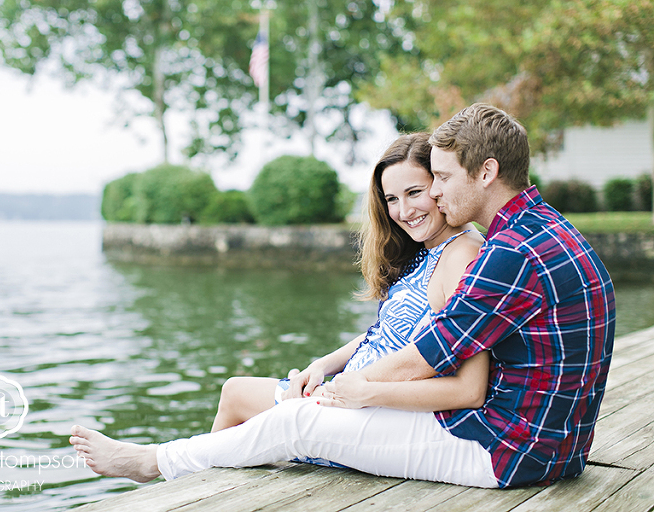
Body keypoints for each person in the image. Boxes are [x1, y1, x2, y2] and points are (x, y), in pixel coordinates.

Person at [70, 104, 615, 489]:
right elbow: (432, 345)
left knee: (292, 421)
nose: (439, 193)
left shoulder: (507, 254)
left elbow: (433, 365)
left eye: (441, 178)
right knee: (282, 411)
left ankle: (152, 464)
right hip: (554, 447)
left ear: (487, 172)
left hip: (507, 453)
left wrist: (354, 389)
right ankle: (189, 477)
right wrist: (341, 376)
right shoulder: (551, 232)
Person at [210, 132, 485, 433]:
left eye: (415, 192)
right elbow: (386, 334)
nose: (404, 212)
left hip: (375, 413)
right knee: (236, 397)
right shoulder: (427, 250)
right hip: (350, 394)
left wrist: (358, 390)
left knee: (236, 394)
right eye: (392, 199)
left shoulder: (462, 254)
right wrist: (321, 367)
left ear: (440, 185)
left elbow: (465, 382)